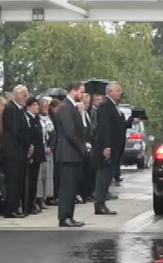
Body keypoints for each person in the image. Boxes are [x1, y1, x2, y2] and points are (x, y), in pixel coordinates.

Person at [54, 82, 88, 228]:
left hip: (72, 153)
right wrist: (82, 148)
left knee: (72, 186)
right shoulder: (65, 107)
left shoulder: (72, 107)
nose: (83, 95)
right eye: (81, 92)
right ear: (73, 91)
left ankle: (70, 215)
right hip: (67, 153)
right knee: (67, 187)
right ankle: (64, 216)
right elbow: (70, 132)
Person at [91, 82, 127, 216]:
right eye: (118, 90)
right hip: (107, 147)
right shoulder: (106, 106)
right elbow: (104, 127)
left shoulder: (114, 106)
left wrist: (129, 122)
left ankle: (101, 202)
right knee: (103, 176)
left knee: (108, 176)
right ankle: (99, 203)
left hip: (115, 147)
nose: (120, 93)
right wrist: (106, 146)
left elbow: (117, 125)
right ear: (110, 91)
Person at [1, 85, 32, 218]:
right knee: (12, 180)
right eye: (24, 95)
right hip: (13, 151)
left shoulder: (20, 109)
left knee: (19, 179)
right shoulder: (10, 109)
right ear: (17, 95)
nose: (26, 98)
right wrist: (27, 142)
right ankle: (10, 208)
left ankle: (17, 206)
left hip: (20, 150)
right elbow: (16, 130)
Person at [24, 97, 44, 215]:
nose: (37, 107)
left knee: (35, 180)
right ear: (29, 106)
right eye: (35, 105)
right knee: (30, 180)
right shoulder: (28, 119)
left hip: (38, 153)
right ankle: (29, 204)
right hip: (32, 153)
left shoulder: (36, 118)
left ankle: (33, 202)